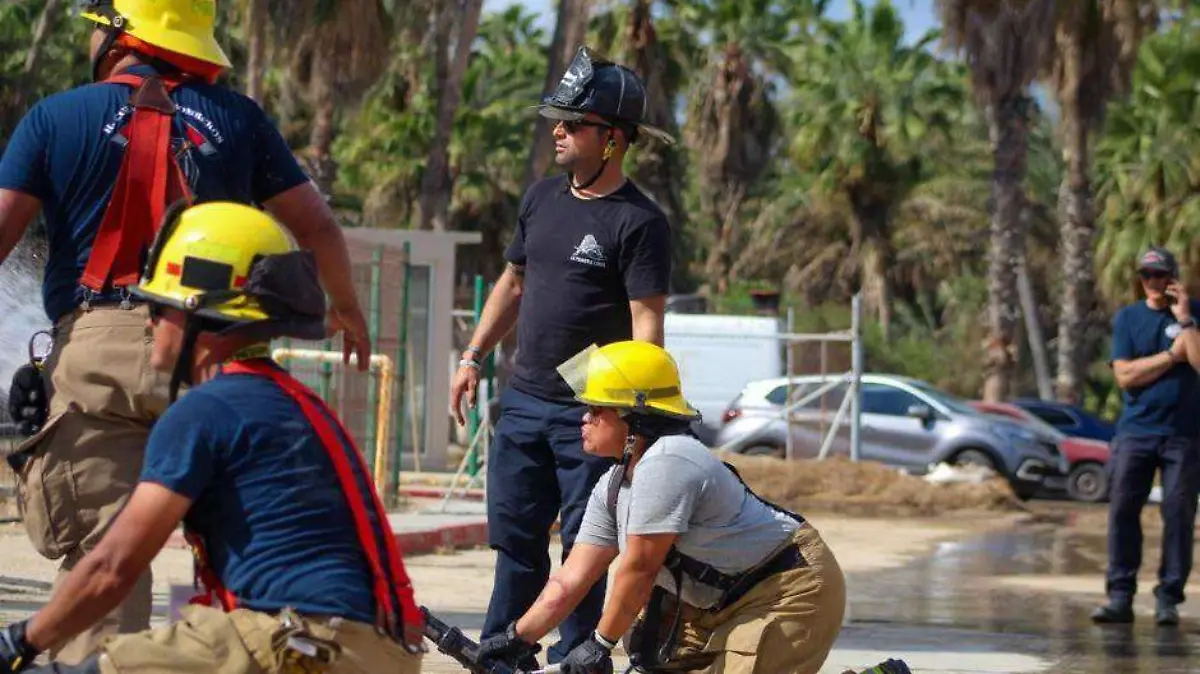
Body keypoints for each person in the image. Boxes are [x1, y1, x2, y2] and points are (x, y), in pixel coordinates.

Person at [0, 0, 370, 662]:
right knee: (257, 544)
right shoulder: (238, 120)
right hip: (212, 346)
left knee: (105, 561)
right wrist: (348, 309)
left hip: (96, 349)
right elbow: (317, 227)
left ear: (120, 36)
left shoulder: (55, 118)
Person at [0, 202, 422, 674]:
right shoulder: (295, 402)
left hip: (306, 645)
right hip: (373, 653)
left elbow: (111, 568)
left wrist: (18, 642)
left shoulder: (207, 410)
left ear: (197, 314)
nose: (147, 321)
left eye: (158, 307)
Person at [448, 46, 673, 664]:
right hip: (523, 404)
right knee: (515, 544)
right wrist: (471, 357)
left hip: (591, 418)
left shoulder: (639, 223)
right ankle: (501, 656)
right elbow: (513, 283)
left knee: (585, 548)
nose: (559, 130)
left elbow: (645, 324)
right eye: (559, 119)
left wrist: (635, 420)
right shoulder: (541, 199)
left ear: (614, 139)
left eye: (573, 122)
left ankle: (579, 659)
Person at [473, 340, 846, 674]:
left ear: (633, 417)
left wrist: (598, 645)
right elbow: (569, 582)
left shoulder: (670, 459)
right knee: (644, 642)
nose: (582, 418)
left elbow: (639, 569)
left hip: (788, 587)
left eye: (596, 409)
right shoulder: (614, 485)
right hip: (718, 599)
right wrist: (513, 640)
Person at [1093, 246, 1200, 626]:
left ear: (1173, 277)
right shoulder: (1128, 318)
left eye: (1159, 275)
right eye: (1146, 276)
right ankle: (1120, 596)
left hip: (1184, 435)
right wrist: (1171, 357)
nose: (1152, 283)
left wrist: (1186, 321)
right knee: (1122, 509)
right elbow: (1124, 377)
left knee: (1178, 514)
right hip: (1136, 432)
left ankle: (1168, 599)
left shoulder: (1195, 315)